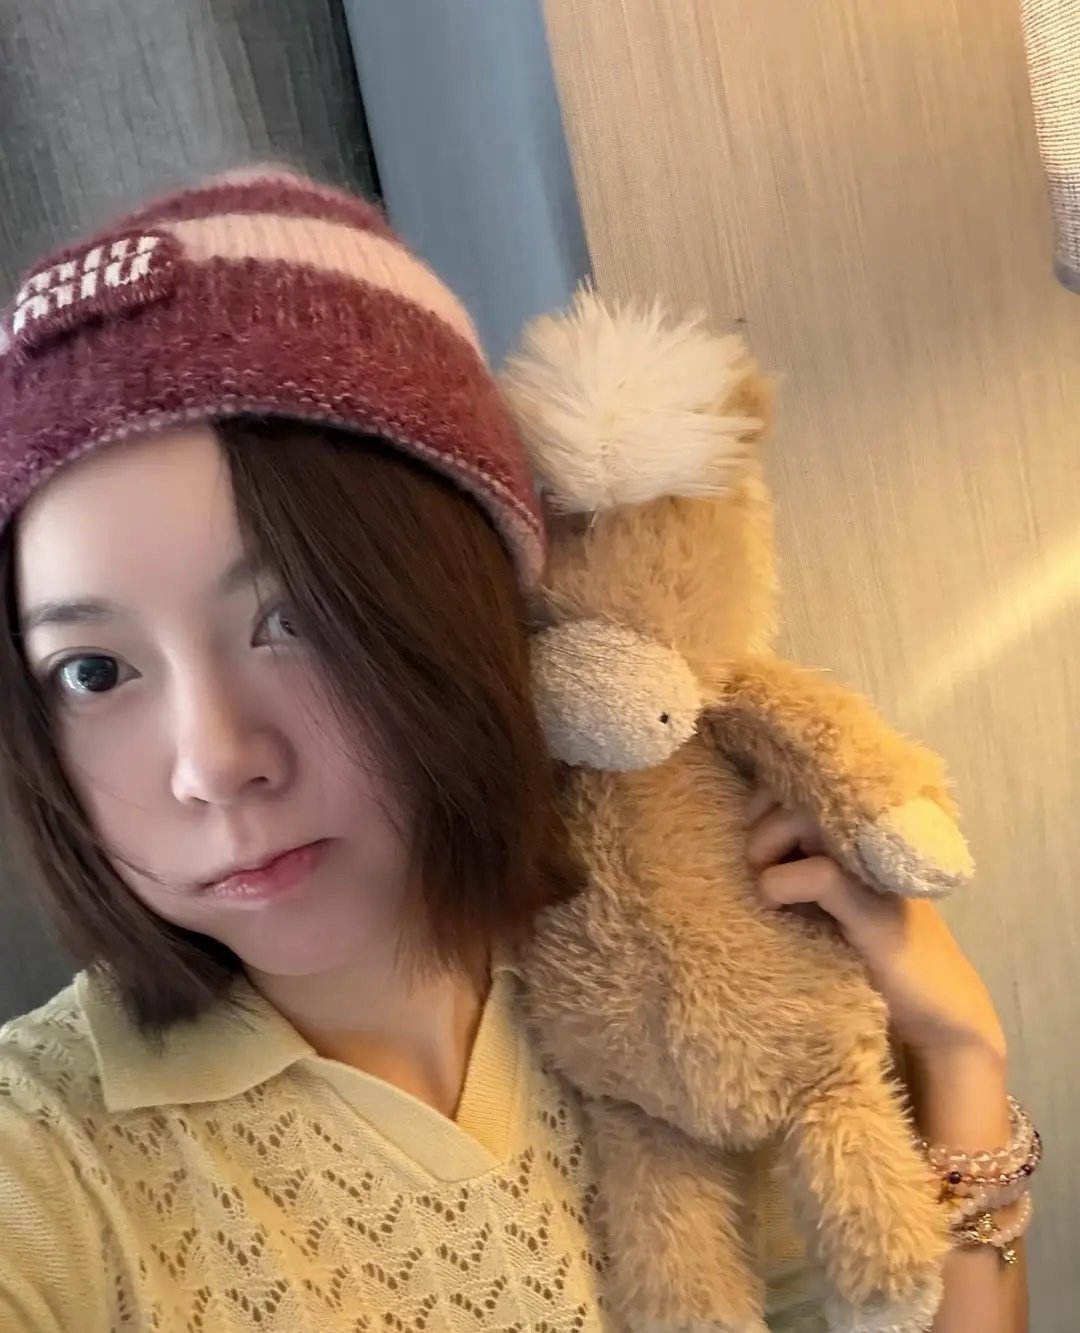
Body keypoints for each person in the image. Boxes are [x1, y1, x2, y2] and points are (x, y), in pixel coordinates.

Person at [0, 166, 1031, 1332]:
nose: (214, 763)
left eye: (293, 620)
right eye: (93, 671)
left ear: (472, 600)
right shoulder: (46, 1162)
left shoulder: (665, 976)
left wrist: (959, 1056)